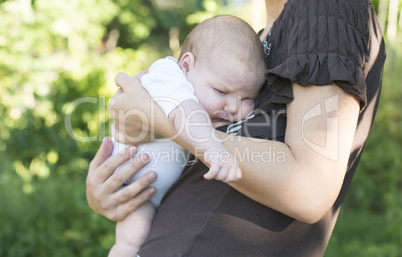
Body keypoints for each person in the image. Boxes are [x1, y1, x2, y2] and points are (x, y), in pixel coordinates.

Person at [87, 0, 386, 256]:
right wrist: (113, 190)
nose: (233, 105)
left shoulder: (324, 12)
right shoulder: (256, 40)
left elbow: (311, 187)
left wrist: (161, 120)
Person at [107, 15, 267, 256]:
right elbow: (187, 115)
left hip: (161, 194)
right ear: (186, 66)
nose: (234, 107)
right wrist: (214, 149)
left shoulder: (212, 98)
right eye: (221, 91)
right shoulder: (168, 75)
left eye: (247, 99)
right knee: (130, 241)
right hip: (135, 184)